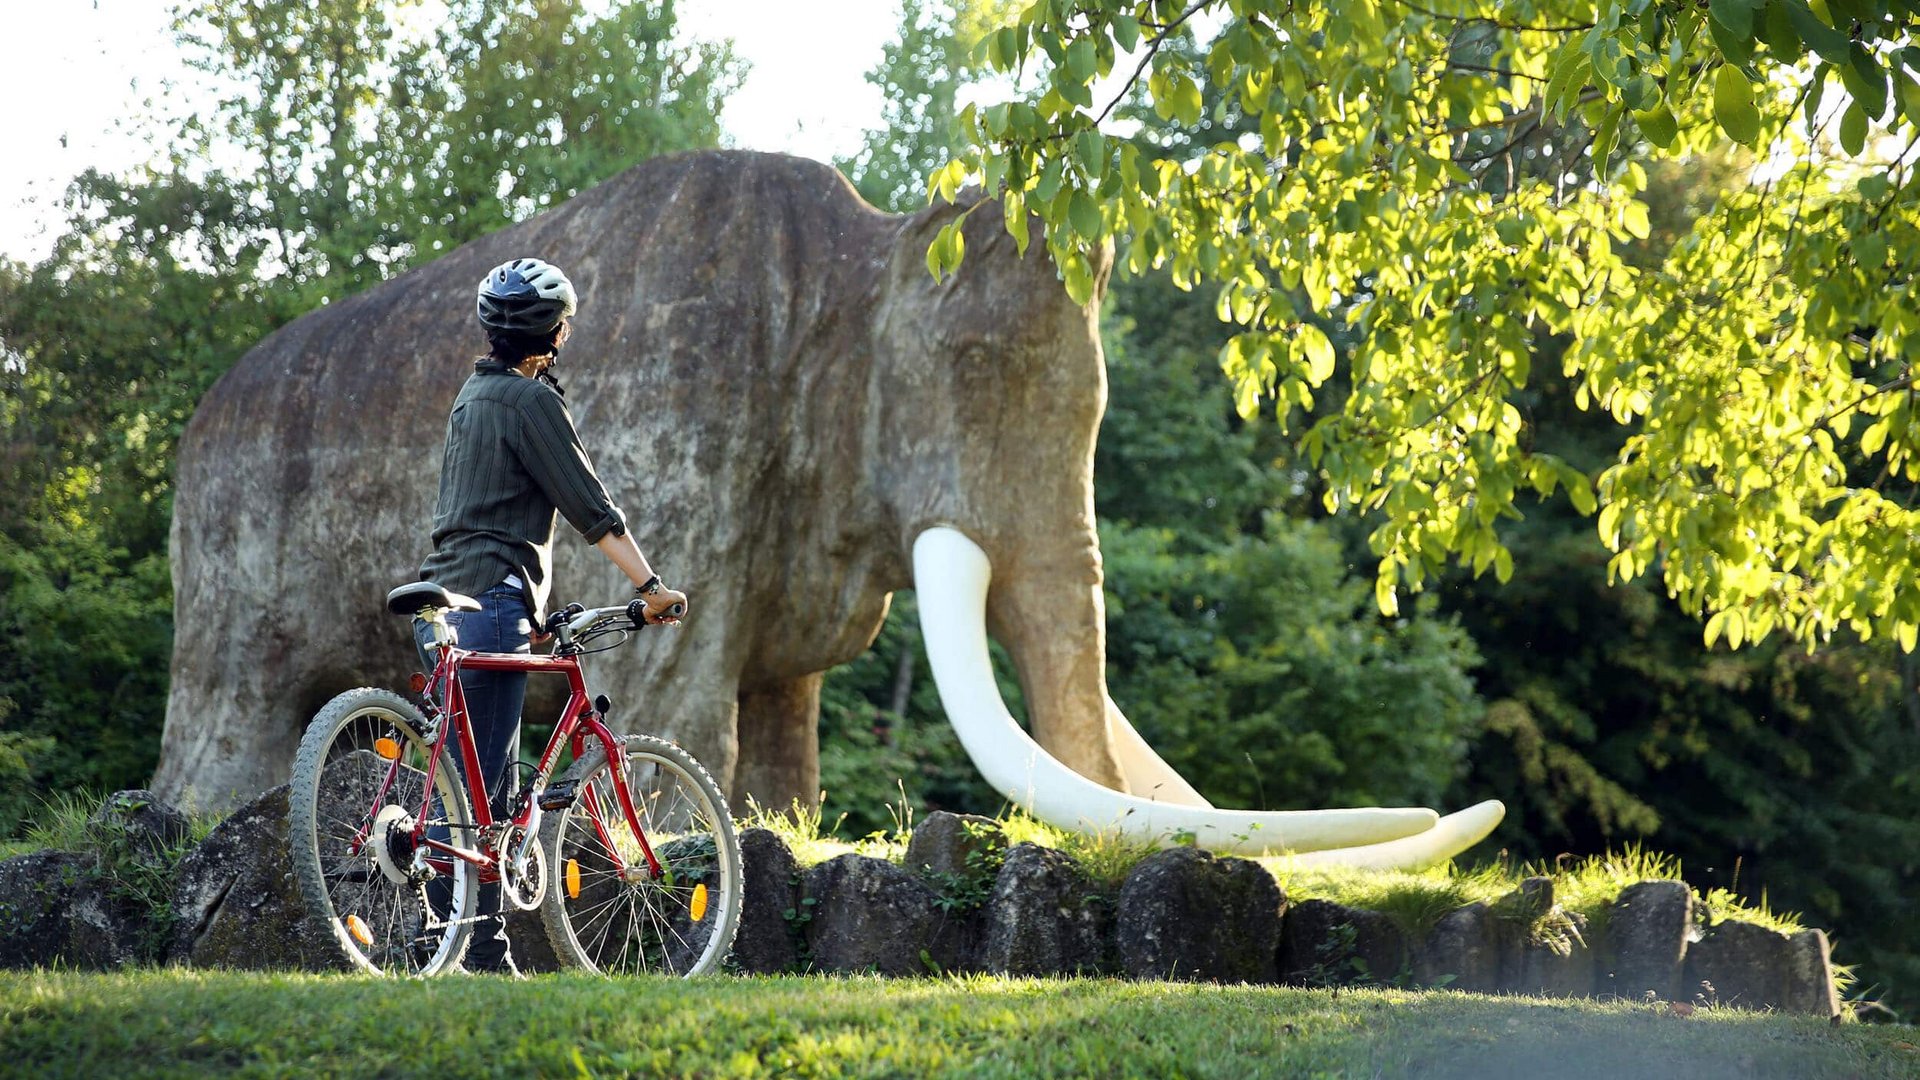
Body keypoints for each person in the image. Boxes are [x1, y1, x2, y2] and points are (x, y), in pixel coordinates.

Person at [413, 256, 687, 974]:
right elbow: (593, 510)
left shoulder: (473, 396)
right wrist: (652, 587)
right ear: (551, 333)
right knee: (485, 795)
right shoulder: (531, 403)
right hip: (492, 601)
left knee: (457, 782)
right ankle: (479, 950)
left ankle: (434, 941)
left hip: (443, 602)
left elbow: (484, 508)